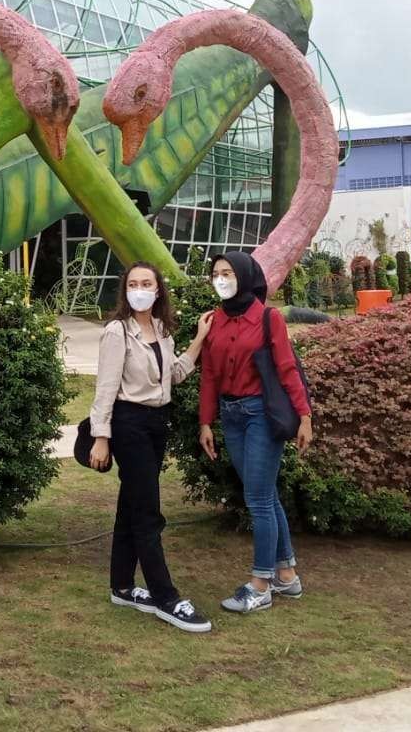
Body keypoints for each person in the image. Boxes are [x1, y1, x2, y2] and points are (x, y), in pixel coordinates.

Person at [89, 262, 213, 633]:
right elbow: (106, 388)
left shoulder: (160, 329)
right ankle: (165, 597)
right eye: (133, 284)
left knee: (132, 506)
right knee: (148, 513)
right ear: (124, 290)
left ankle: (122, 586)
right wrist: (101, 436)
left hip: (157, 423)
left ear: (158, 290)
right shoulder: (117, 332)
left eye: (147, 283)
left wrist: (200, 338)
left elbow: (172, 375)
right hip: (129, 424)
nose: (140, 289)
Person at [197, 252, 313, 615]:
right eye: (215, 274)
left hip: (260, 414)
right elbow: (210, 374)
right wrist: (205, 421)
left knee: (259, 499)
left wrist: (305, 415)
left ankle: (261, 584)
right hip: (230, 416)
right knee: (264, 495)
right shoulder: (213, 320)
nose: (220, 279)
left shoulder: (267, 317)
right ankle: (287, 574)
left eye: (227, 273)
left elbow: (287, 367)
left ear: (245, 276)